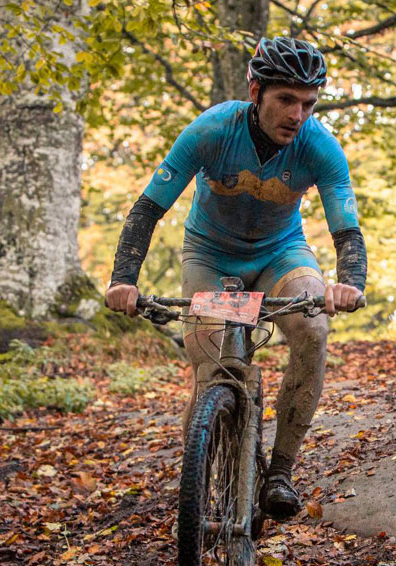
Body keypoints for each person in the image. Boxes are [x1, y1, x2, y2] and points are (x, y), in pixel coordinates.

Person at [104, 37, 367, 521]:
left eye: (308, 103)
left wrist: (348, 281)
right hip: (210, 256)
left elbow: (346, 228)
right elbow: (147, 209)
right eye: (285, 99)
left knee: (313, 329)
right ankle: (198, 488)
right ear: (255, 92)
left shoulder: (320, 146)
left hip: (281, 256)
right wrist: (123, 280)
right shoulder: (212, 130)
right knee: (210, 369)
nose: (297, 115)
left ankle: (280, 470)